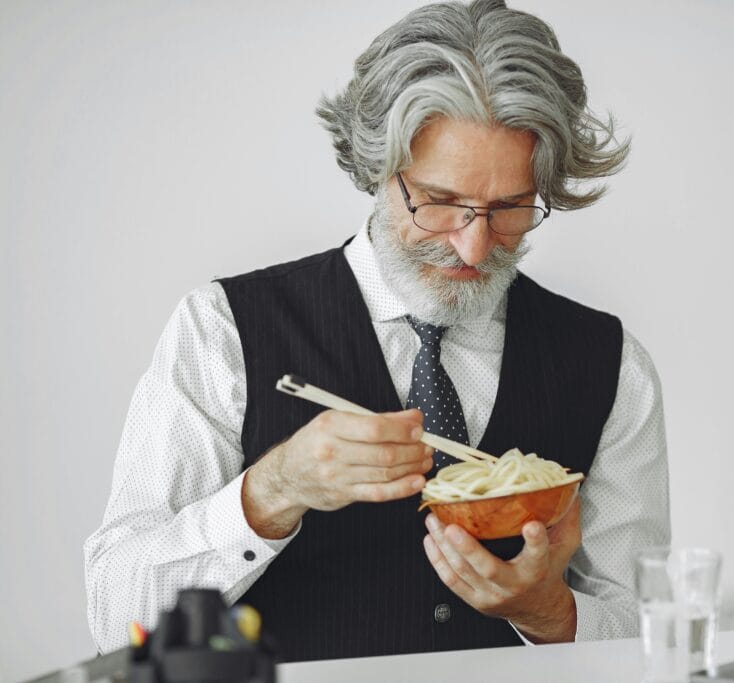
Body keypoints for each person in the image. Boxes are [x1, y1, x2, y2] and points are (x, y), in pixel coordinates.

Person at [84, 0, 669, 661]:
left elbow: (652, 633)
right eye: (440, 202)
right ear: (376, 168)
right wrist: (272, 491)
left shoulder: (611, 363)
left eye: (509, 208)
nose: (474, 247)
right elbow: (114, 617)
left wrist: (551, 612)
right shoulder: (221, 331)